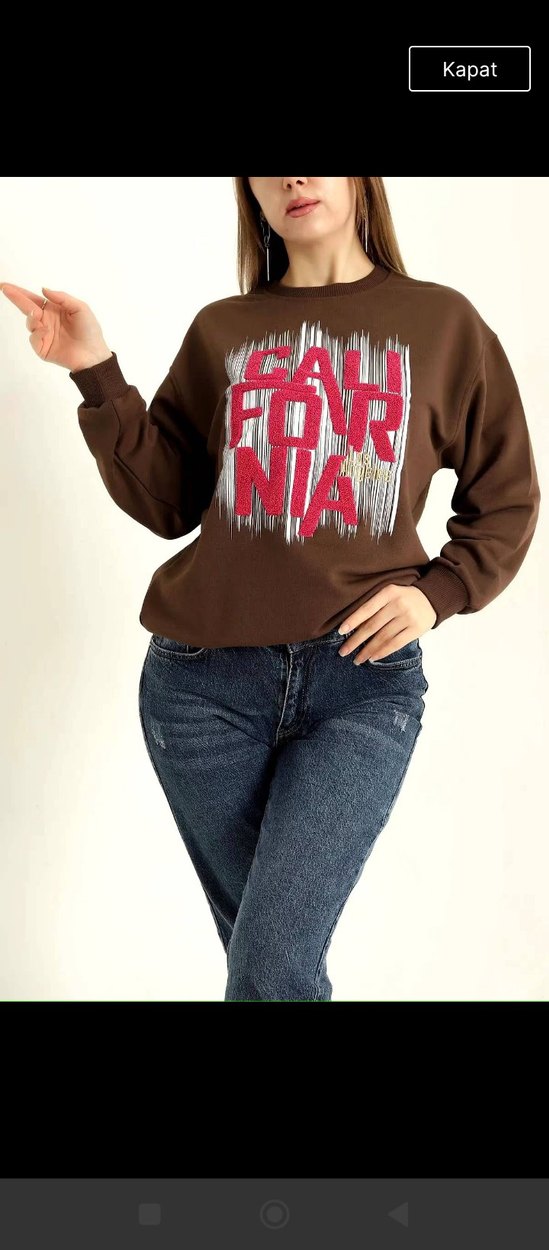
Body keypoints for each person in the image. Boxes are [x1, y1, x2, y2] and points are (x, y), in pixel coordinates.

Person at [1, 176, 541, 1002]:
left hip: (360, 685)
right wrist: (95, 373)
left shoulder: (444, 324)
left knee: (268, 966)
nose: (292, 177)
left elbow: (505, 496)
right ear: (249, 193)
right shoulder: (223, 329)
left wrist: (439, 592)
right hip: (201, 688)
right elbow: (167, 501)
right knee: (266, 966)